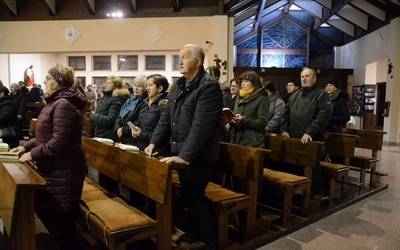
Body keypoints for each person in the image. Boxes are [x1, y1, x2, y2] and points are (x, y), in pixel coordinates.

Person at [145, 44, 222, 249]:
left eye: (184, 58)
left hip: (199, 156)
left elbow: (201, 127)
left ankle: (209, 242)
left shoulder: (208, 86)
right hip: (179, 153)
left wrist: (186, 156)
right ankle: (195, 236)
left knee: (195, 198)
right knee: (188, 197)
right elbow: (166, 118)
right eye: (179, 58)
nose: (179, 62)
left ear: (198, 61)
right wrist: (154, 142)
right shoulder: (178, 85)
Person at [10, 63, 87, 250]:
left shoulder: (63, 104)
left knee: (63, 224)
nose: (44, 81)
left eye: (49, 78)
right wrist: (24, 147)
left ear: (59, 82)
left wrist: (32, 154)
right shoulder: (54, 102)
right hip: (54, 168)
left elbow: (59, 142)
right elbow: (43, 136)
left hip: (64, 170)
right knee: (55, 221)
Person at [281, 67, 332, 194]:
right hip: (295, 138)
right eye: (302, 76)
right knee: (295, 166)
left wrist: (310, 131)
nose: (304, 79)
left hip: (312, 139)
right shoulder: (294, 96)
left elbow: (323, 117)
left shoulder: (322, 95)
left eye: (307, 76)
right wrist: (284, 130)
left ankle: (313, 194)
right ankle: (297, 191)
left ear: (314, 79)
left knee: (313, 168)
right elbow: (285, 115)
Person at [89, 75, 129, 194]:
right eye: (106, 82)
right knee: (102, 173)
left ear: (116, 86)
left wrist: (92, 116)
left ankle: (112, 195)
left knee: (109, 175)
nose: (106, 84)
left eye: (109, 83)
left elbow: (110, 120)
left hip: (109, 138)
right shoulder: (104, 99)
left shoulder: (116, 99)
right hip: (101, 137)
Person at [227, 71, 268, 148]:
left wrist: (243, 119)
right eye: (241, 81)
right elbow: (237, 118)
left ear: (254, 83)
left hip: (253, 142)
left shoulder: (262, 98)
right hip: (236, 140)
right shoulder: (239, 97)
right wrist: (231, 121)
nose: (242, 84)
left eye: (246, 81)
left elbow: (262, 122)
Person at [130, 74, 170, 155]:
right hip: (143, 146)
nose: (147, 88)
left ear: (160, 88)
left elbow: (162, 133)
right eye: (147, 85)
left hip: (156, 151)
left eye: (150, 85)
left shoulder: (164, 105)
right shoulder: (148, 103)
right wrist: (138, 131)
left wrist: (141, 134)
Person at [114, 75, 148, 145]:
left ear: (145, 88)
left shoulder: (144, 102)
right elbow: (119, 116)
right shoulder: (129, 100)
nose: (136, 88)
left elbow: (139, 121)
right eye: (135, 85)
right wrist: (117, 129)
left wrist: (123, 130)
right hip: (122, 138)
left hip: (133, 139)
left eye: (140, 86)